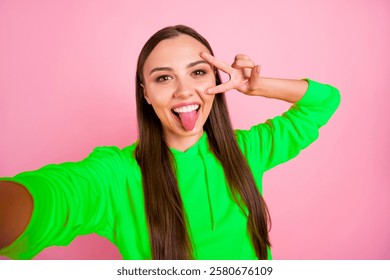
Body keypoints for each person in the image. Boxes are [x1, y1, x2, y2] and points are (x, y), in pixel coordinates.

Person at [0, 25, 340, 260]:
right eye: (164, 78)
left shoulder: (247, 151)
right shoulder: (117, 175)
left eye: (197, 72)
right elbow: (54, 195)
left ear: (216, 80)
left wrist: (255, 85)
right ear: (146, 93)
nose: (183, 91)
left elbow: (324, 101)